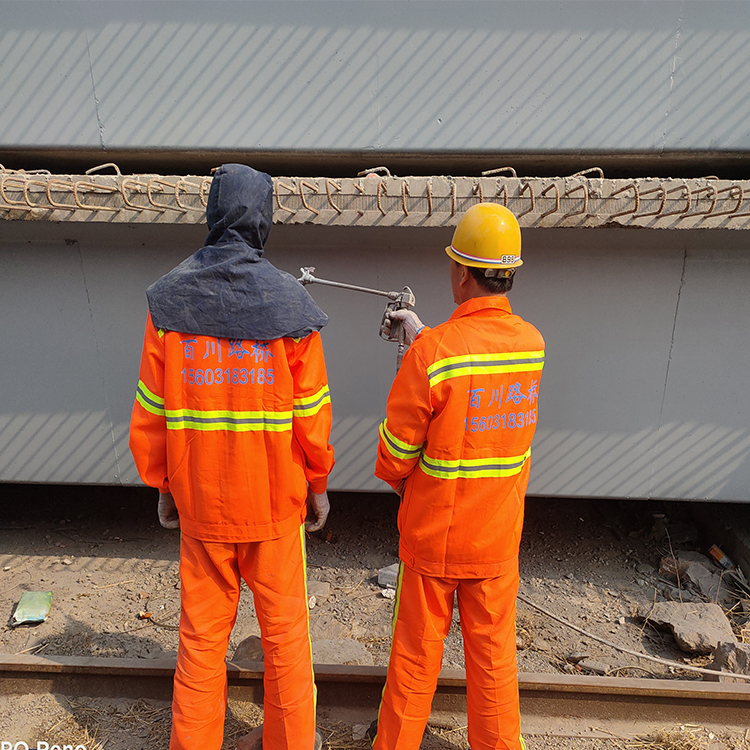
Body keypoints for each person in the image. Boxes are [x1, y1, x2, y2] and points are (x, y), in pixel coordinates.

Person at [129, 164, 334, 750]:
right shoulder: (292, 308)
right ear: (264, 220)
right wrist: (318, 484)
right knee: (286, 639)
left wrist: (164, 486)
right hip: (274, 510)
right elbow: (311, 415)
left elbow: (151, 413)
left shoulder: (167, 304)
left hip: (201, 507)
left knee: (200, 641)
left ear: (214, 216)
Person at [371, 203, 544, 750]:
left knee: (414, 662)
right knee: (494, 666)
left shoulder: (432, 354)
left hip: (434, 542)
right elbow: (479, 389)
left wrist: (420, 349)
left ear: (463, 272)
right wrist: (426, 337)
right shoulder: (532, 345)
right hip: (496, 540)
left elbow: (396, 454)